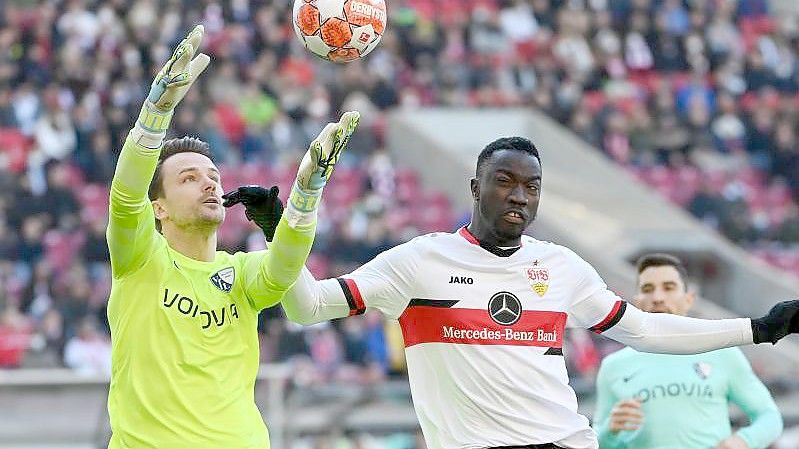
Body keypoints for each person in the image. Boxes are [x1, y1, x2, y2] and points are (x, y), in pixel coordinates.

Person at [225, 136, 799, 449]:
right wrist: (283, 229)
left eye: (532, 187)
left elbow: (646, 330)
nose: (519, 196)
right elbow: (307, 307)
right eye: (505, 182)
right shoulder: (420, 260)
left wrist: (759, 329)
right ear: (476, 187)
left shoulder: (562, 267)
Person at [105, 25, 359, 449]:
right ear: (160, 208)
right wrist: (155, 114)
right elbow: (125, 196)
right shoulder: (140, 260)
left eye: (213, 176)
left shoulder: (240, 274)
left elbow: (284, 268)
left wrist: (305, 194)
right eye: (189, 178)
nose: (208, 184)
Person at [593, 253, 783, 449]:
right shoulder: (614, 366)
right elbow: (598, 440)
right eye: (647, 289)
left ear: (689, 299)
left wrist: (742, 441)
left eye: (669, 287)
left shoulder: (723, 353)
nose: (658, 298)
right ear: (636, 301)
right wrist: (610, 430)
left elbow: (769, 418)